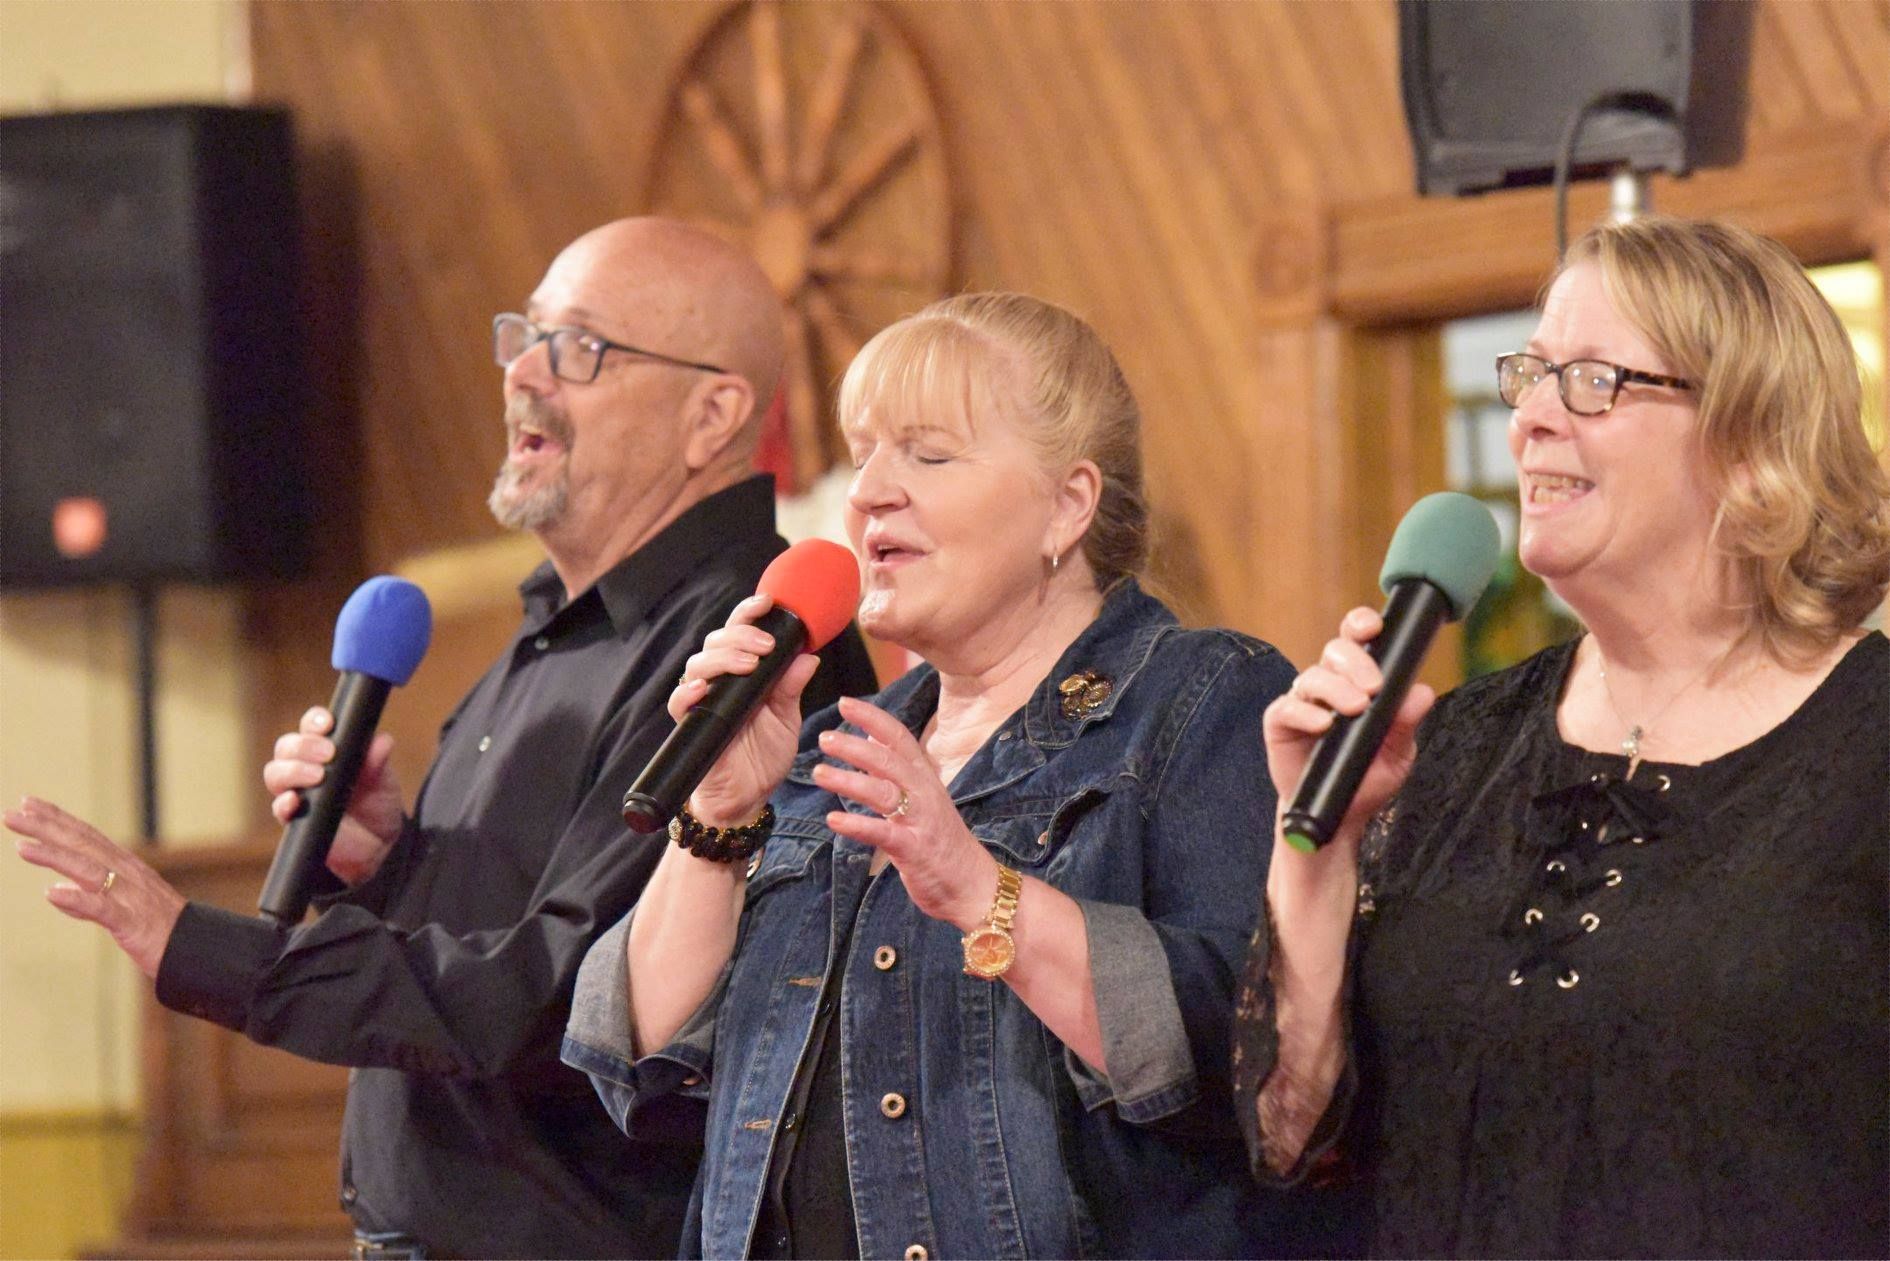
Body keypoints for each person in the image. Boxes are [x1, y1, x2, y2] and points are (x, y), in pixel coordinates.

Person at [7, 217, 877, 1259]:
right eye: (525, 337)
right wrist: (387, 864)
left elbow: (558, 997)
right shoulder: (553, 627)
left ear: (714, 413)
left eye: (580, 350)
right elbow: (490, 940)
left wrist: (219, 954)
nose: (523, 377)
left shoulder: (747, 653)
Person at [561, 292, 1299, 1259]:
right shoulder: (826, 746)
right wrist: (715, 821)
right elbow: (634, 1060)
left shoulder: (1204, 698)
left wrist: (979, 891)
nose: (867, 493)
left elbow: (1246, 1054)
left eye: (927, 453)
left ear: (1068, 504)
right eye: (863, 451)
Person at [1233, 215, 1890, 1257]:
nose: (1531, 419)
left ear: (1749, 432)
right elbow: (1292, 1139)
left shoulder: (1869, 742)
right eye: (1530, 373)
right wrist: (1315, 846)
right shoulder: (1460, 744)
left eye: (1592, 379)